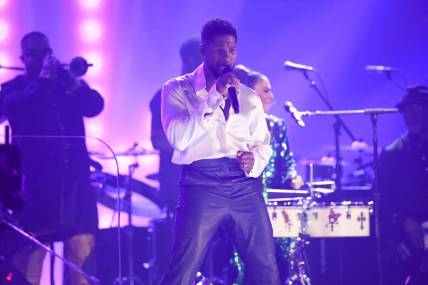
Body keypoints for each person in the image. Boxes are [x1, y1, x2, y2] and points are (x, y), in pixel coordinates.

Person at [159, 19, 281, 285]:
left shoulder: (248, 96)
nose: (227, 56)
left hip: (244, 185)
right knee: (184, 266)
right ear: (203, 50)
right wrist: (214, 97)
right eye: (220, 50)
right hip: (201, 182)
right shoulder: (177, 89)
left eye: (232, 50)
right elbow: (179, 139)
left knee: (266, 267)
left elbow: (263, 143)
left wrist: (254, 160)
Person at [0, 31, 104, 285]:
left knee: (80, 261)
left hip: (74, 185)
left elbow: (94, 106)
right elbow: (11, 108)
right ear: (22, 58)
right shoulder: (15, 88)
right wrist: (43, 82)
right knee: (29, 267)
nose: (42, 59)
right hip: (35, 189)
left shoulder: (66, 84)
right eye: (35, 54)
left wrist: (74, 83)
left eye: (46, 52)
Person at [232, 65, 303, 284]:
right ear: (250, 94)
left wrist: (294, 177)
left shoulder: (277, 126)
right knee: (245, 262)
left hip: (275, 203)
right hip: (244, 202)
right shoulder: (235, 124)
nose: (271, 96)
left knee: (280, 260)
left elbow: (287, 161)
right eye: (266, 90)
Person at [379, 86, 428, 285]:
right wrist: (404, 220)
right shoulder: (393, 154)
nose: (410, 115)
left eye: (416, 109)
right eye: (407, 111)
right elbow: (381, 199)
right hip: (410, 247)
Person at [150, 37, 203, 215]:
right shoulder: (167, 95)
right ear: (190, 60)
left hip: (214, 187)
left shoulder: (218, 94)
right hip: (180, 186)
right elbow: (158, 141)